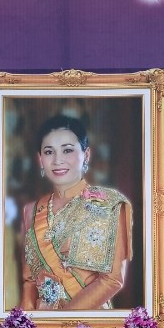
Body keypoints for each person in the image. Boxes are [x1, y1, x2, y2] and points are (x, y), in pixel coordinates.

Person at [20, 114, 133, 312]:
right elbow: (29, 281)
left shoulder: (110, 204)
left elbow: (112, 280)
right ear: (40, 159)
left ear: (86, 155)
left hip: (90, 323)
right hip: (42, 322)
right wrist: (26, 324)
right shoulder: (31, 211)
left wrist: (62, 322)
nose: (58, 160)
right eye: (49, 152)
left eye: (67, 150)